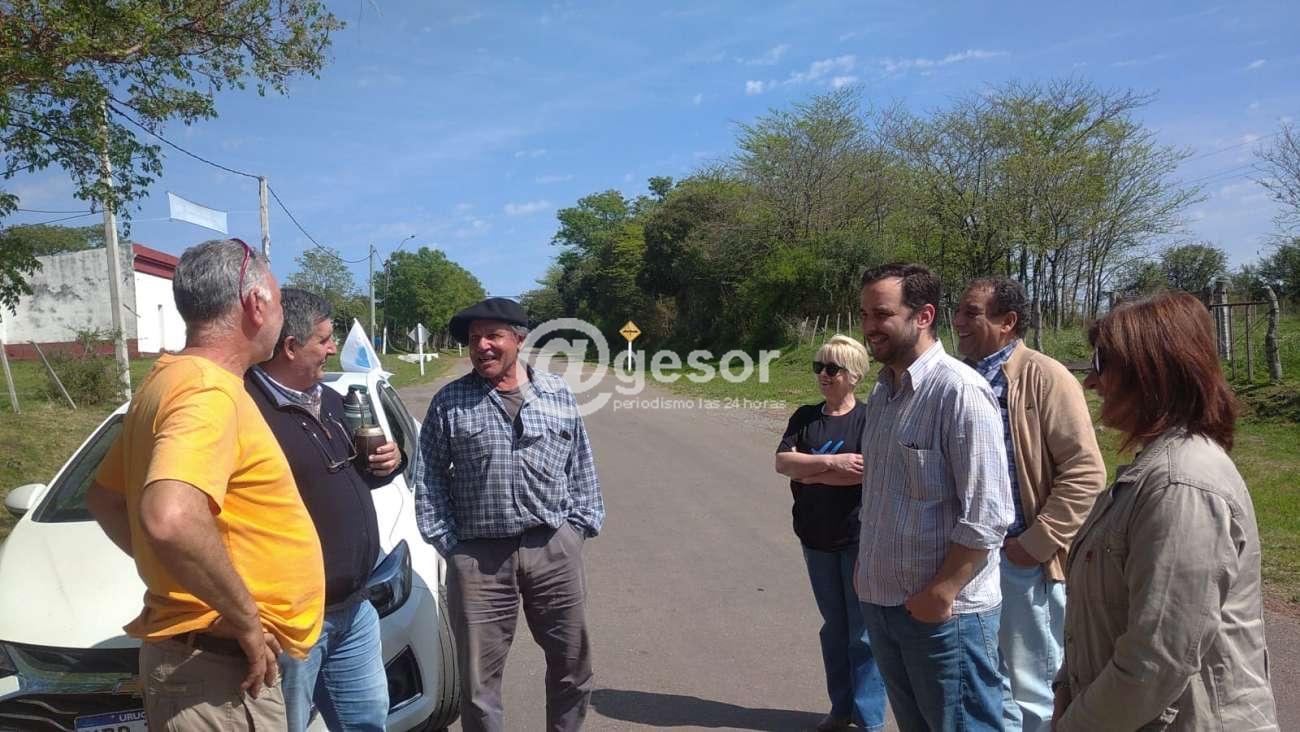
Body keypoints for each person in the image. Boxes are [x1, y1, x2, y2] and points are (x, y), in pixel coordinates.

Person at [84, 238, 324, 730]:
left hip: (204, 665)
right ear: (256, 304)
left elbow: (105, 498)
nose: (281, 316)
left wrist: (185, 578)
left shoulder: (169, 379)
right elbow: (170, 518)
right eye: (279, 302)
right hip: (222, 675)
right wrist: (246, 620)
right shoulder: (206, 389)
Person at [1053, 291, 1279, 731]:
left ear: (1150, 371)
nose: (1091, 382)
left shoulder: (1181, 485)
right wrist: (1067, 686)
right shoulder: (1155, 471)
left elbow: (1156, 661)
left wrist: (1073, 725)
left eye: (1101, 363)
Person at [413, 297, 605, 732]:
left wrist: (578, 527)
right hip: (478, 558)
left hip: (553, 548)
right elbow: (429, 480)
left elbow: (580, 463)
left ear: (519, 339)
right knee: (479, 684)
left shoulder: (556, 393)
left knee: (572, 667)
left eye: (492, 336)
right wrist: (452, 546)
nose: (482, 346)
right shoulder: (449, 402)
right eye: (474, 338)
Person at [854, 262, 1013, 731]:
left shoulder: (959, 391)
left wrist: (941, 593)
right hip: (883, 604)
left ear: (923, 316)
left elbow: (988, 515)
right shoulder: (883, 392)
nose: (869, 326)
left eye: (882, 314)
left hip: (946, 618)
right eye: (864, 314)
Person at [245, 288, 406, 731]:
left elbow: (358, 475)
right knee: (288, 725)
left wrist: (390, 462)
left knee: (367, 723)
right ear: (290, 346)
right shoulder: (247, 411)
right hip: (292, 621)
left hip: (354, 606)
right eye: (324, 340)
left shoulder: (332, 401)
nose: (333, 348)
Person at [952, 278, 1106, 732]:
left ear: (1008, 321)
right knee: (983, 679)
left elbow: (1085, 471)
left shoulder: (1044, 376)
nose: (957, 321)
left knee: (1033, 688)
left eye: (971, 312)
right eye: (957, 311)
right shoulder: (958, 378)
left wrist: (1036, 544)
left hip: (1019, 562)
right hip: (964, 557)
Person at [775, 334, 888, 732]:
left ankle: (869, 719)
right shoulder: (806, 417)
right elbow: (783, 463)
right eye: (818, 367)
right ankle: (840, 710)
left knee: (863, 632)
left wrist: (810, 472)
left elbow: (869, 474)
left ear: (854, 374)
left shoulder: (870, 418)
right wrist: (835, 463)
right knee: (834, 628)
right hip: (815, 538)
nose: (823, 374)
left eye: (832, 368)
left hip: (859, 540)